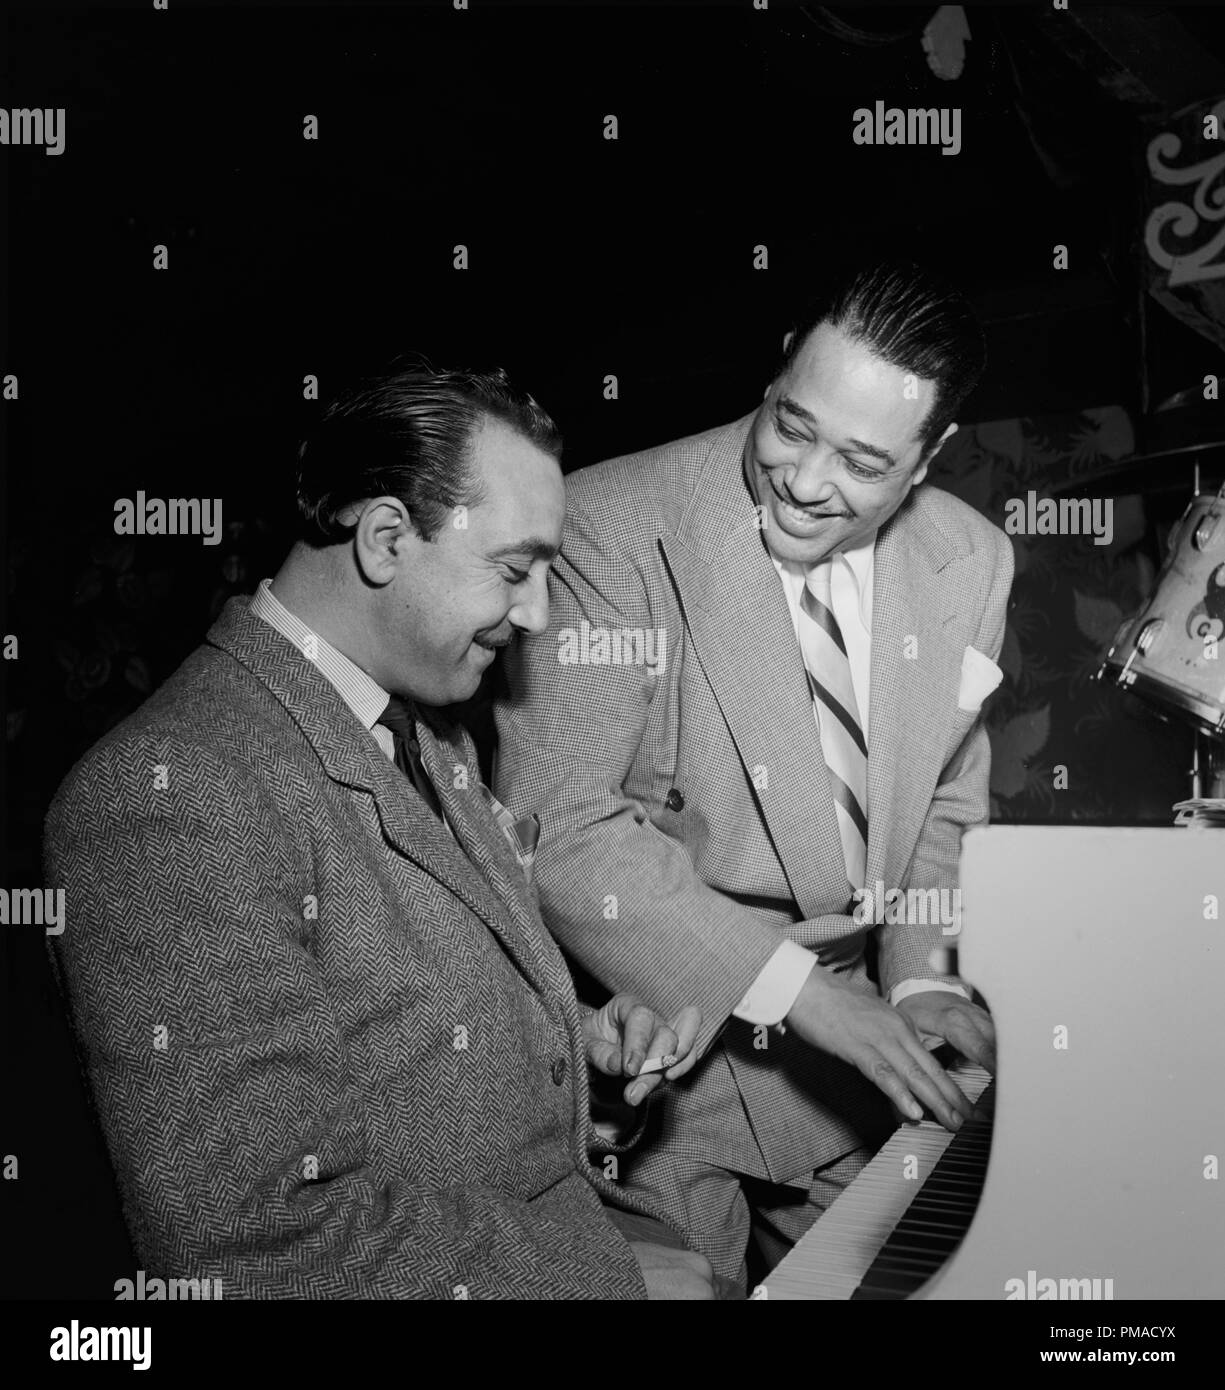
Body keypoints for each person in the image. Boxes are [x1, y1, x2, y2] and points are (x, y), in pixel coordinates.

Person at [44, 363, 720, 1300]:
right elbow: (258, 1245)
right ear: (385, 538)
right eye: (514, 571)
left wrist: (581, 1064)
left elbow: (419, 1045)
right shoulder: (169, 796)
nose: (534, 616)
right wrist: (612, 1279)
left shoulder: (430, 736)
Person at [494, 259, 1014, 1286]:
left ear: (931, 456)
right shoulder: (606, 521)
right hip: (654, 1056)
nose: (807, 480)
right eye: (791, 425)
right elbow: (562, 827)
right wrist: (804, 997)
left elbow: (947, 799)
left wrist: (914, 978)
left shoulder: (976, 558)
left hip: (864, 1051)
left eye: (863, 462)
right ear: (780, 367)